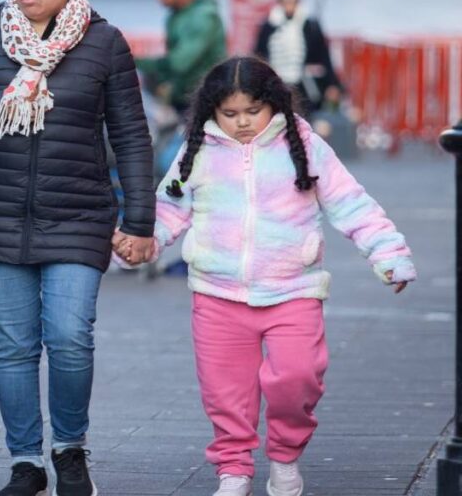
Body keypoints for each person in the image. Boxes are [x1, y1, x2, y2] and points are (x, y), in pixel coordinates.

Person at [114, 57, 415, 496]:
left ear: (272, 104)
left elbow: (351, 203)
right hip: (217, 293)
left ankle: (285, 457)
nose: (241, 123)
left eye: (252, 112)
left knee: (297, 379)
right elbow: (169, 208)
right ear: (212, 111)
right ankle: (233, 471)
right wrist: (142, 243)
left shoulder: (304, 144)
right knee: (225, 394)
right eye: (230, 114)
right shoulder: (197, 148)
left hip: (293, 290)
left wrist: (388, 253)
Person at [0, 0, 156, 496]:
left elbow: (130, 135)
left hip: (79, 213)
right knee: (13, 345)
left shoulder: (104, 44)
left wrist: (139, 221)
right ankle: (26, 462)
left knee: (70, 335)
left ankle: (71, 449)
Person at [136, 0, 227, 117]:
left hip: (207, 103)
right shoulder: (175, 15)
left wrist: (134, 60)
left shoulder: (203, 16)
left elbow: (180, 63)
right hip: (183, 101)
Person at [254, 0, 343, 116]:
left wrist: (332, 84)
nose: (289, 4)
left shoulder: (310, 25)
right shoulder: (268, 26)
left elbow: (323, 56)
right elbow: (259, 56)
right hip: (274, 89)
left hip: (305, 89)